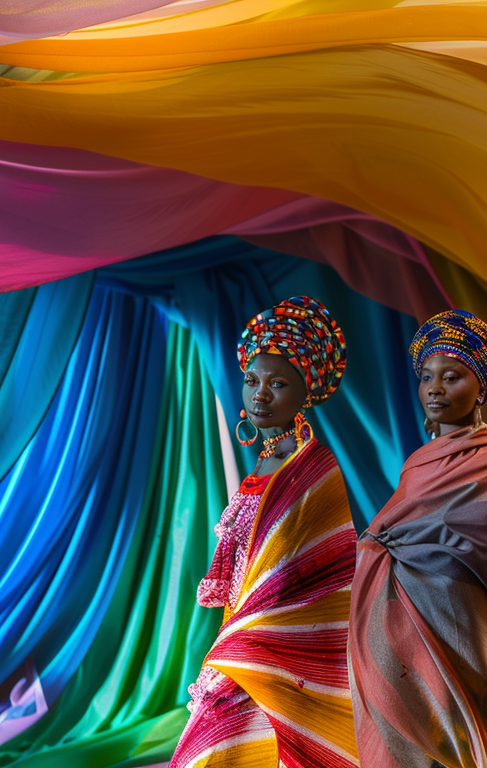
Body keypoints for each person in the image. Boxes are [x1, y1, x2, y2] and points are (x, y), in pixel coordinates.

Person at [172, 296, 360, 768]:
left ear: (306, 392)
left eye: (277, 383)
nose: (259, 394)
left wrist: (245, 637)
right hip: (246, 631)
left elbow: (309, 573)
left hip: (276, 644)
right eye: (252, 380)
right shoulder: (268, 458)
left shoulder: (311, 467)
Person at [349, 310, 487, 768]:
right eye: (427, 376)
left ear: (480, 388)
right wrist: (378, 548)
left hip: (467, 631)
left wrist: (404, 551)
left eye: (452, 377)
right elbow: (388, 533)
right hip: (400, 632)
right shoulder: (418, 462)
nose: (435, 388)